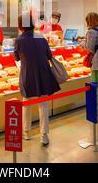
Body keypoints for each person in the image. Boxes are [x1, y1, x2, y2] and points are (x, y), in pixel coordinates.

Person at [13, 13, 60, 146]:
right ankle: (44, 136)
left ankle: (26, 132)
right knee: (43, 105)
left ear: (21, 25)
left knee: (27, 104)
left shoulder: (19, 40)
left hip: (27, 75)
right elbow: (49, 55)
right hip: (43, 74)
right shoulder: (41, 37)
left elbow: (16, 58)